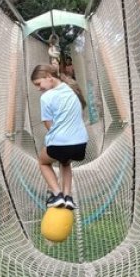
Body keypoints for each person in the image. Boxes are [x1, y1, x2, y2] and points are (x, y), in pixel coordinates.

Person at [31, 64, 88, 210]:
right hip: (81, 145)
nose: (39, 88)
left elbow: (48, 123)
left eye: (38, 84)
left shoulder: (46, 97)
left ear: (49, 77)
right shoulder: (72, 90)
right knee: (65, 163)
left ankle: (57, 194)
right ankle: (68, 197)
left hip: (60, 143)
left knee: (43, 162)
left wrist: (56, 137)